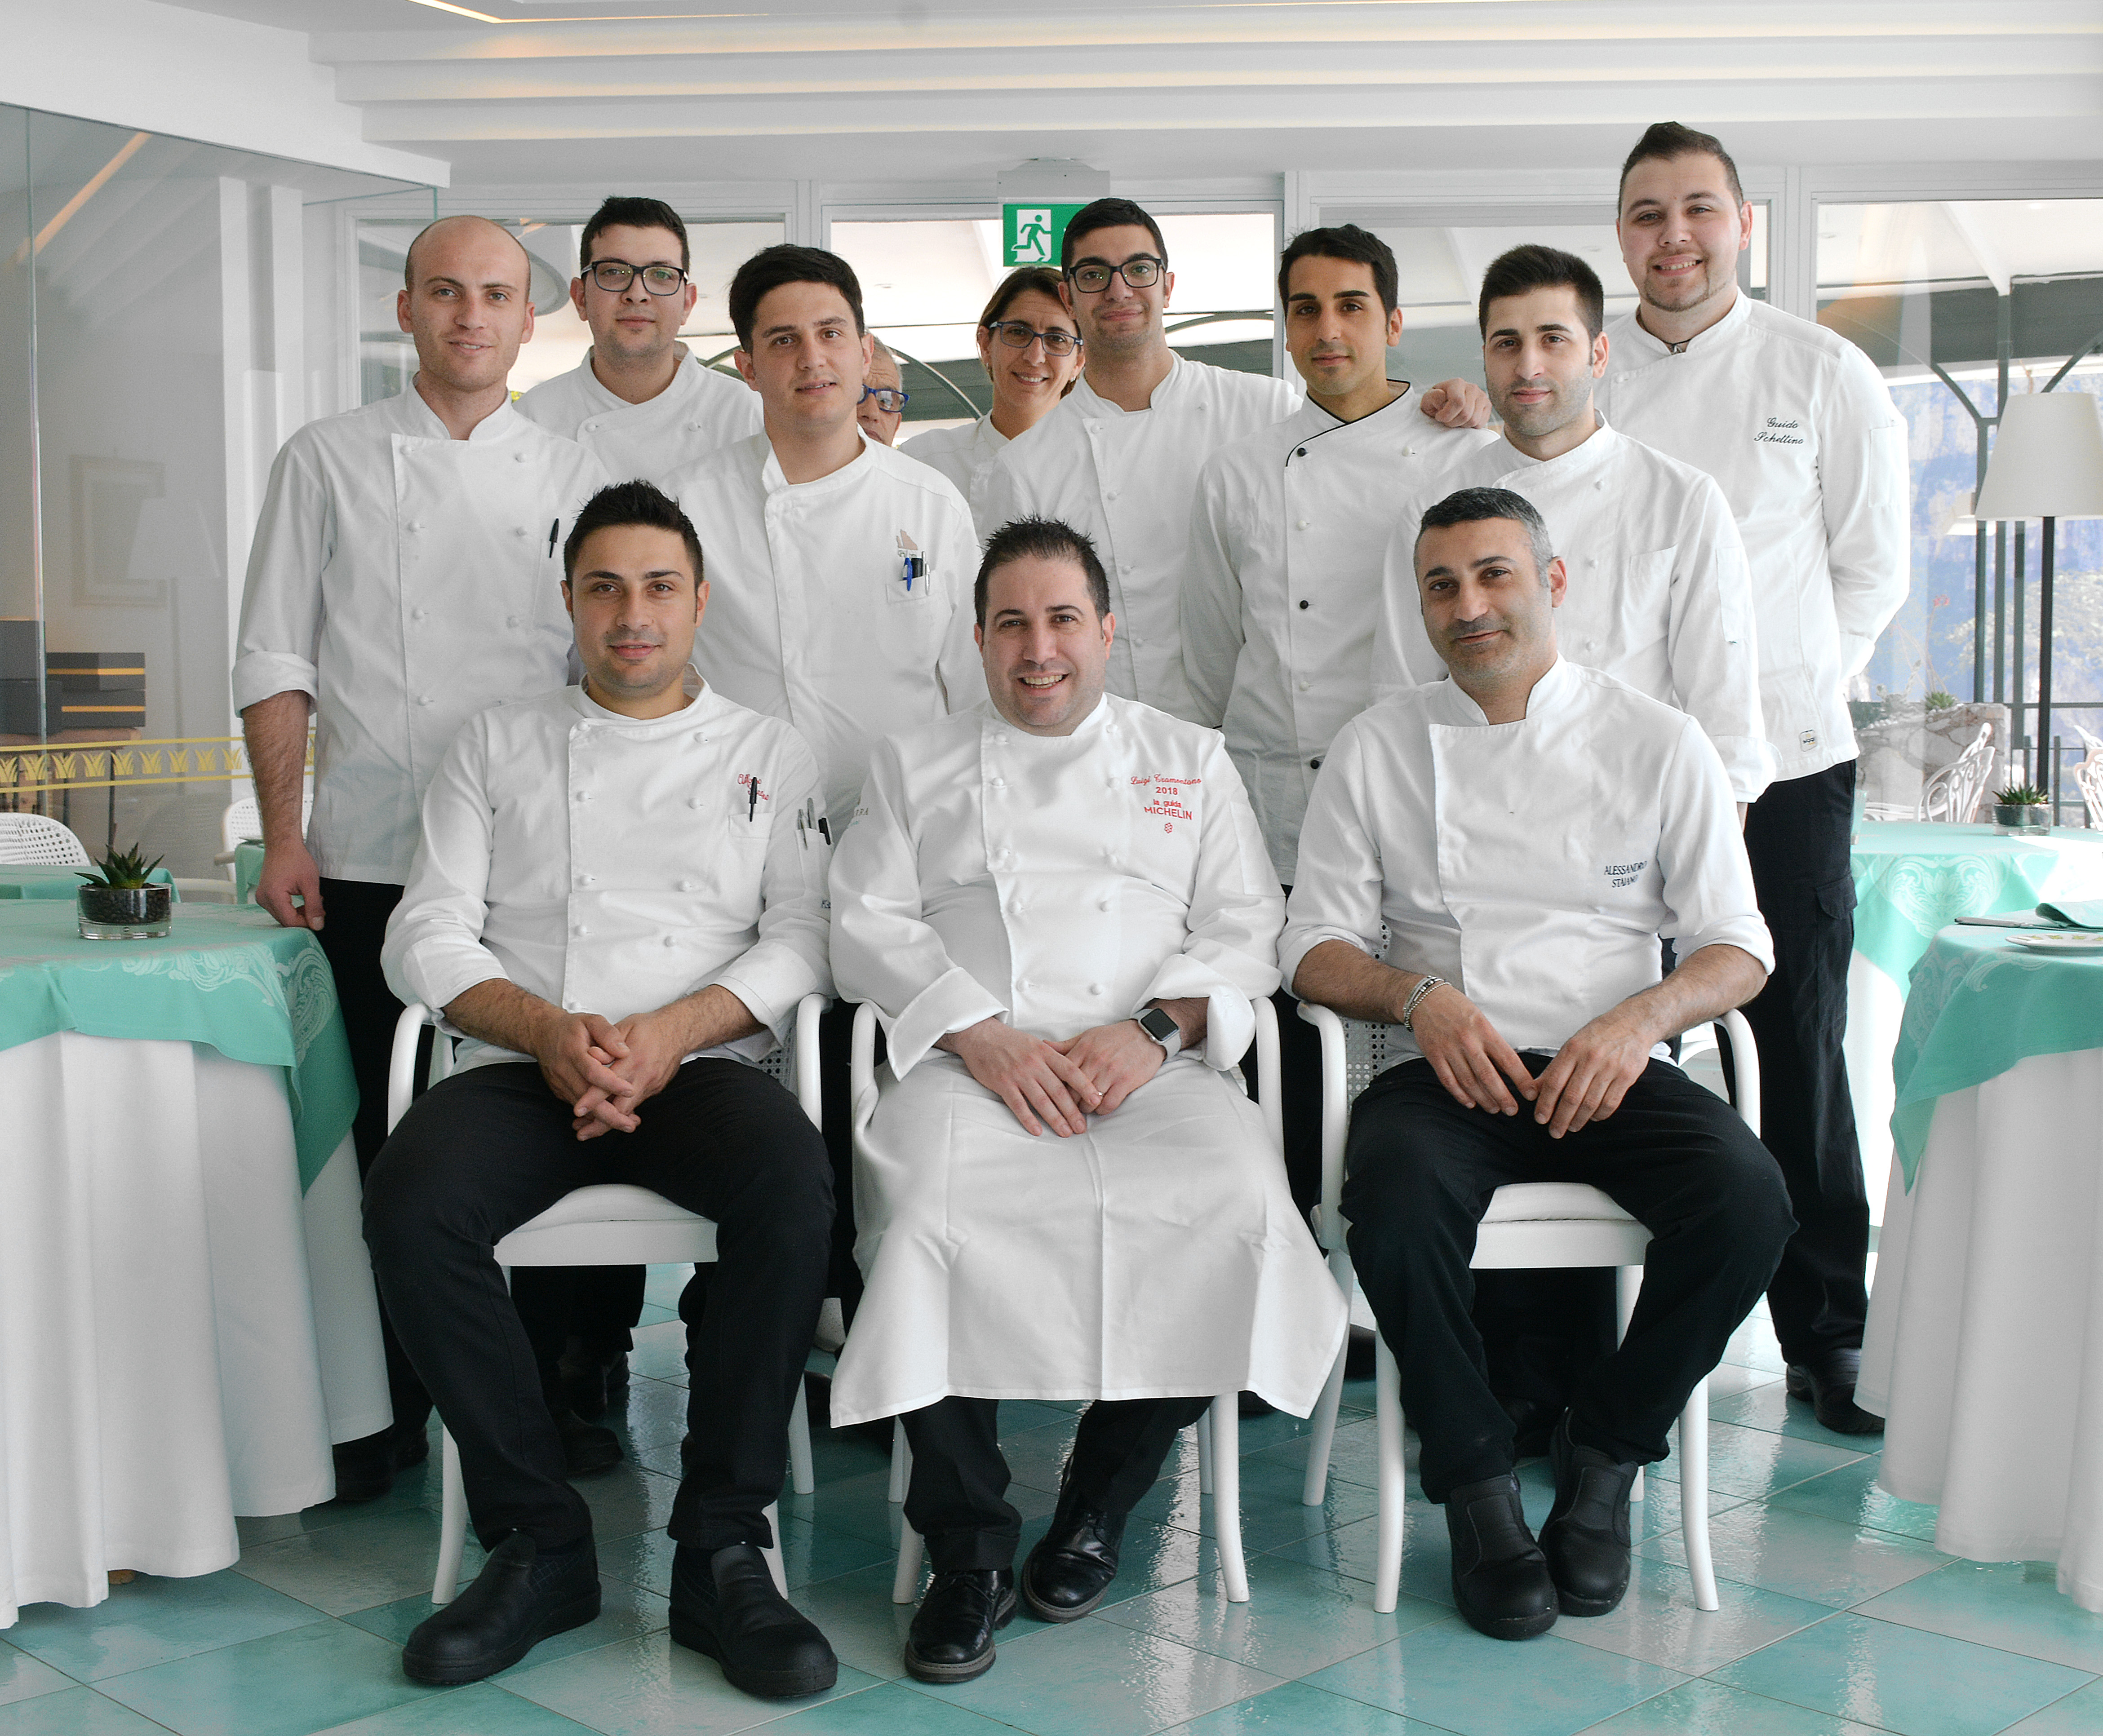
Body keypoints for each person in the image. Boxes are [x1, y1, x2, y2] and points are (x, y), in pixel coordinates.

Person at [828, 517, 1348, 1685]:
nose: (1039, 647)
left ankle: (1102, 1503)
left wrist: (1156, 1032)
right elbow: (864, 922)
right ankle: (968, 1547)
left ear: (1109, 631)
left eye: (1064, 619)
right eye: (1011, 622)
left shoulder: (1187, 758)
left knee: (1234, 1209)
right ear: (976, 638)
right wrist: (982, 1032)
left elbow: (1245, 925)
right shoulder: (914, 763)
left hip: (1150, 1063)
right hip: (974, 1063)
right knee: (921, 1227)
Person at [1283, 487, 1793, 1639]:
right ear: (1420, 604)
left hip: (1604, 1060)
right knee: (1396, 1203)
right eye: (1442, 584)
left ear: (1552, 582)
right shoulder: (1376, 746)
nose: (1469, 605)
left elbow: (1740, 945)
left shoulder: (1654, 740)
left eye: (1494, 574)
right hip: (1448, 1069)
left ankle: (1605, 1458)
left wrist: (1636, 1023)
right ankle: (1475, 1492)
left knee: (1748, 1201)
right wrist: (1416, 998)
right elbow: (1308, 945)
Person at [363, 480, 839, 1698]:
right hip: (527, 1068)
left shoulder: (767, 751)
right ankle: (540, 1539)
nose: (634, 614)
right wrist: (554, 1033)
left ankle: (721, 1547)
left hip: (705, 1067)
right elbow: (424, 936)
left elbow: (800, 939)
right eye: (606, 587)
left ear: (700, 601)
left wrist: (667, 1035)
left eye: (660, 587)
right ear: (568, 600)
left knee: (793, 1189)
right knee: (411, 1199)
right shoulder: (496, 743)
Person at [233, 214, 611, 1501]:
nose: (469, 317)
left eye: (495, 296)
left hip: (535, 869)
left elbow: (602, 674)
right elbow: (276, 657)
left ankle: (571, 1377)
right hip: (372, 854)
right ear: (404, 313)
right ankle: (386, 1404)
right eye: (445, 293)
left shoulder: (570, 469)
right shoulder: (325, 460)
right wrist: (287, 832)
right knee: (390, 1144)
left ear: (526, 320)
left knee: (562, 1122)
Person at [1598, 122, 1910, 1434]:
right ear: (1622, 235)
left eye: (1697, 211)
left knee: (1796, 1047)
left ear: (1741, 226)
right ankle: (1617, 1344)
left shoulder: (1824, 370)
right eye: (1648, 214)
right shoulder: (1591, 372)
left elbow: (1870, 571)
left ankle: (1823, 1334)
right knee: (1618, 1037)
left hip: (1786, 771)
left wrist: (1763, 716)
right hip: (1620, 778)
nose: (1674, 236)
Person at [660, 242, 980, 1310]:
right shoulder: (690, 506)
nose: (812, 360)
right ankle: (761, 1315)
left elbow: (969, 695)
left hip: (899, 848)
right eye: (782, 341)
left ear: (864, 347)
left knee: (887, 1090)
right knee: (762, 1097)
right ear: (746, 364)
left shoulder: (926, 504)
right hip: (737, 851)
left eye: (831, 334)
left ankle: (886, 1312)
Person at [1181, 222, 1496, 1214]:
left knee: (1408, 1038)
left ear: (1394, 322)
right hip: (1270, 798)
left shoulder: (1461, 449)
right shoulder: (1237, 472)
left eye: (1351, 306)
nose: (1328, 329)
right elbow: (1209, 654)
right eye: (1306, 308)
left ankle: (1393, 1262)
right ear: (1284, 327)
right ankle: (1298, 1267)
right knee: (1286, 1053)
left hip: (1407, 792)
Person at [975, 196, 1489, 720]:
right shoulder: (1025, 469)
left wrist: (1435, 407)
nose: (1119, 290)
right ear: (1069, 295)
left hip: (1254, 723)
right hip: (1113, 731)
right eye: (1093, 275)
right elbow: (1013, 628)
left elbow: (1356, 433)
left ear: (1167, 286)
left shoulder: (1263, 406)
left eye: (1139, 270)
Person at [517, 196, 762, 489]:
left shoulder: (746, 413)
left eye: (661, 275)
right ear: (580, 297)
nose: (637, 293)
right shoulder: (533, 417)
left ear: (687, 302)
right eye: (614, 272)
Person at [901, 266, 1083, 501]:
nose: (1035, 355)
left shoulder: (1102, 468)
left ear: (1079, 361)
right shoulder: (924, 462)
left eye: (1057, 339)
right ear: (986, 344)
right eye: (1018, 332)